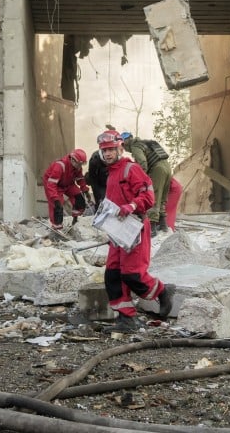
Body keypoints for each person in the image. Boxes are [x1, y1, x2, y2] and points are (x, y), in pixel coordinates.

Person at [97, 131, 173, 333]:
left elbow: (148, 197)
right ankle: (126, 319)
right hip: (118, 231)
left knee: (133, 275)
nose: (108, 154)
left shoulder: (132, 169)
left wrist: (131, 206)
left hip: (135, 228)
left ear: (120, 149)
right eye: (104, 151)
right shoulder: (111, 173)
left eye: (111, 150)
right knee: (113, 275)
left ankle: (162, 291)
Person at [120, 132, 173, 233]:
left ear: (125, 142)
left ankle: (151, 228)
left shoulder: (135, 146)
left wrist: (141, 178)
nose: (123, 148)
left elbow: (142, 163)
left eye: (123, 144)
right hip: (167, 167)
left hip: (157, 169)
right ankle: (163, 225)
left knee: (153, 197)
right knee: (162, 198)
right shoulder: (145, 143)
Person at [42, 148, 89, 229]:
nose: (80, 166)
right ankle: (57, 227)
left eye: (82, 164)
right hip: (54, 185)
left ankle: (75, 220)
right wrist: (55, 199)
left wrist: (85, 190)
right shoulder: (59, 166)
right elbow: (51, 184)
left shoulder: (77, 167)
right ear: (73, 160)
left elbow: (80, 179)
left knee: (79, 199)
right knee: (57, 207)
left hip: (68, 183)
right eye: (79, 164)